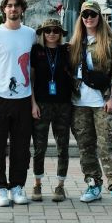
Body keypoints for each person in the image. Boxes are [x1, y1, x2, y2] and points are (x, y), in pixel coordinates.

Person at [0, 0, 36, 207]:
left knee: (21, 147)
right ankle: (0, 188)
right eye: (9, 5)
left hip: (22, 99)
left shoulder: (30, 34)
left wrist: (33, 101)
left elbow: (32, 70)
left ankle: (17, 187)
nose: (13, 9)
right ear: (4, 9)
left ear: (22, 9)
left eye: (17, 5)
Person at [70, 0, 112, 210]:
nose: (88, 18)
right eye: (85, 15)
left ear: (99, 16)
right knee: (85, 147)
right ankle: (93, 184)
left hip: (103, 102)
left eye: (92, 14)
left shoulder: (110, 43)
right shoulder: (75, 43)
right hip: (79, 104)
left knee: (109, 145)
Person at [30, 19, 72, 202]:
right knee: (40, 147)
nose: (52, 34)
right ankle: (37, 184)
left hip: (63, 105)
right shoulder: (36, 51)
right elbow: (31, 79)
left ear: (61, 34)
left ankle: (60, 186)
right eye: (48, 30)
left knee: (62, 146)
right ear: (42, 33)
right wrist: (33, 103)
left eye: (56, 31)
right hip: (42, 104)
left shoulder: (67, 51)